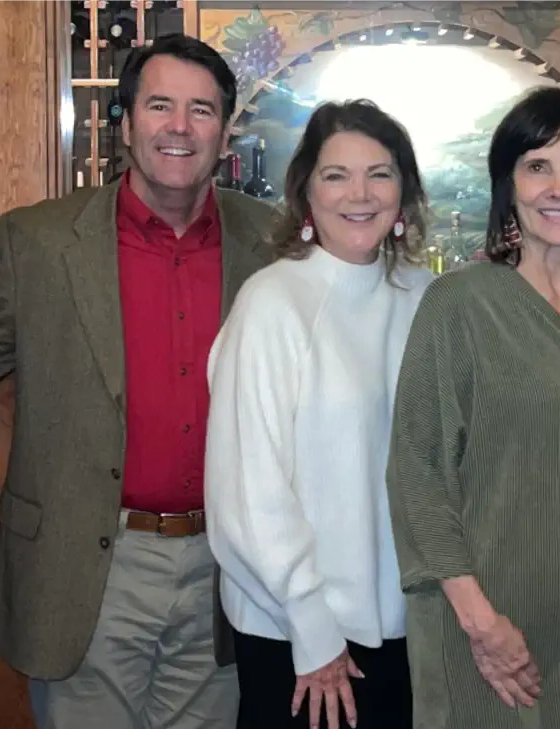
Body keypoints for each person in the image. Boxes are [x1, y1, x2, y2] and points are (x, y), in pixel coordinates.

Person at [0, 34, 277, 729]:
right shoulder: (40, 242)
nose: (179, 126)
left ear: (225, 133)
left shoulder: (273, 242)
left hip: (227, 572)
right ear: (126, 125)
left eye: (201, 110)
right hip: (88, 568)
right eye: (159, 105)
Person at [386, 86, 560, 729]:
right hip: (494, 636)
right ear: (508, 186)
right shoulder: (459, 302)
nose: (558, 187)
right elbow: (417, 472)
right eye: (537, 166)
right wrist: (481, 624)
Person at [204, 99, 431, 729]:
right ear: (306, 193)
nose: (360, 194)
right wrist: (312, 625)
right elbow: (247, 491)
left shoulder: (426, 297)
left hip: (408, 629)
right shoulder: (273, 303)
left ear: (404, 193)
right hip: (301, 638)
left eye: (380, 174)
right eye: (337, 176)